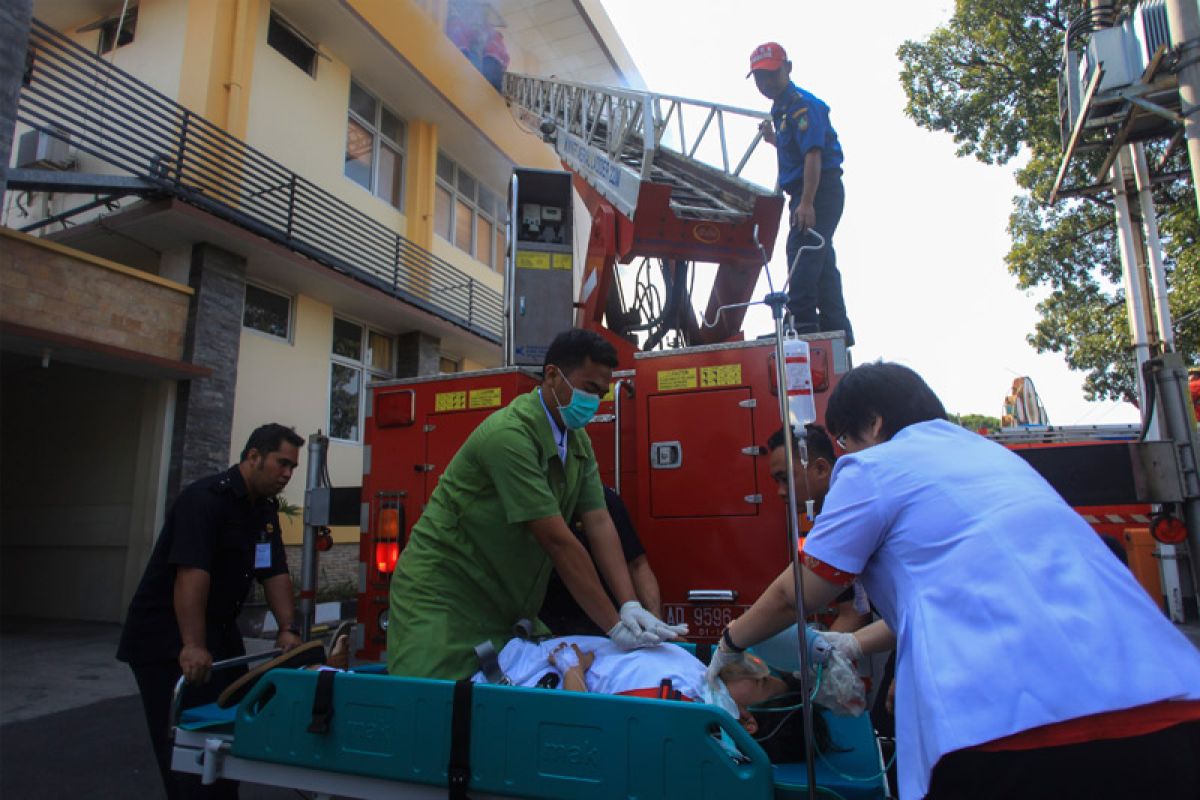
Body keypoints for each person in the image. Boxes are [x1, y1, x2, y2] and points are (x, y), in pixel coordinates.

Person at [709, 362, 1200, 800]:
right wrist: (852, 647)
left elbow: (796, 591)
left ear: (875, 423)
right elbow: (950, 592)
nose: (846, 455)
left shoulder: (875, 466)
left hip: (1011, 728)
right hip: (1166, 705)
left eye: (844, 440)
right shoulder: (994, 460)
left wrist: (731, 642)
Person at [388, 329, 685, 680]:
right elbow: (558, 541)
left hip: (503, 605)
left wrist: (629, 604)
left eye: (602, 393)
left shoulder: (577, 441)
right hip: (443, 601)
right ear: (552, 375)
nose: (595, 401)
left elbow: (599, 521)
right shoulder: (509, 436)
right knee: (435, 708)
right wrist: (614, 628)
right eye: (588, 388)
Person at [117, 423, 305, 800]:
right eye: (282, 463)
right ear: (254, 457)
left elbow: (275, 571)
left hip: (218, 630)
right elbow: (191, 574)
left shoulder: (263, 510)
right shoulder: (204, 500)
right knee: (187, 748)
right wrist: (192, 645)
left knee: (227, 736)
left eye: (293, 468)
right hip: (165, 636)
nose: (287, 474)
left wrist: (287, 629)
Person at [749, 42, 854, 347]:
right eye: (759, 78)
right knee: (820, 258)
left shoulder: (802, 105)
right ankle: (837, 328)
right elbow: (796, 147)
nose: (765, 83)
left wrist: (807, 202)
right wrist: (774, 140)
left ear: (788, 68)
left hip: (819, 189)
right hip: (808, 191)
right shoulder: (780, 107)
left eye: (771, 74)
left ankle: (803, 326)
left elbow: (813, 155)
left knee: (802, 253)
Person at [766, 424, 870, 632]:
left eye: (786, 479)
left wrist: (731, 643)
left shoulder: (848, 511)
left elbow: (854, 615)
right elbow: (854, 610)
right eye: (776, 481)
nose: (780, 491)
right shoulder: (830, 514)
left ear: (821, 469)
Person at [539, 486, 664, 635]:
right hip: (544, 628)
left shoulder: (604, 499)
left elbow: (638, 566)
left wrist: (655, 621)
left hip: (605, 627)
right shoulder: (530, 500)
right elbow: (559, 545)